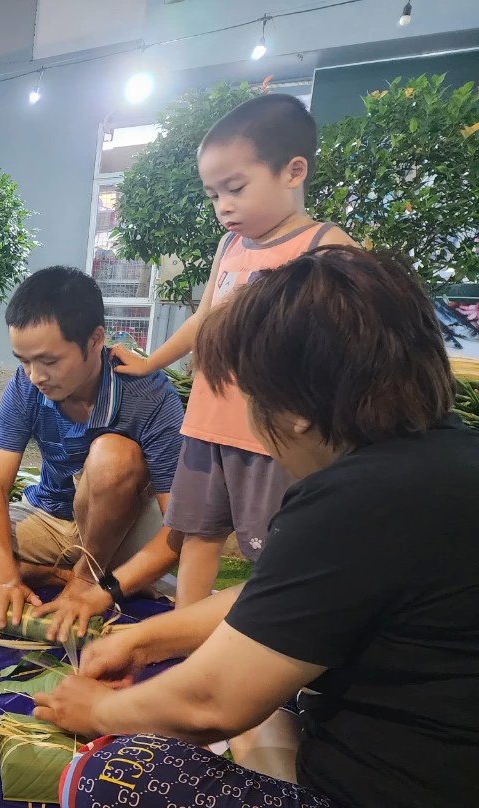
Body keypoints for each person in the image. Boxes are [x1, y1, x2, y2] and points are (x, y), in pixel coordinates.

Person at [39, 249, 478, 808]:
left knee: (111, 784)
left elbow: (214, 702)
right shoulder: (439, 463)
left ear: (297, 412)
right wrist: (146, 640)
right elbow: (287, 599)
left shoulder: (358, 495)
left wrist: (96, 712)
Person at [112, 94, 357, 606]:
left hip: (274, 436)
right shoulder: (231, 247)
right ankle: (186, 641)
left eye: (236, 188)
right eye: (212, 194)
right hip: (207, 424)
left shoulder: (326, 249)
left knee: (276, 550)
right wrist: (151, 361)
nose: (223, 205)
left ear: (293, 172)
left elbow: (345, 349)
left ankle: (267, 652)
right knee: (197, 535)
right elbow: (205, 321)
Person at [0, 266, 185, 640]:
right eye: (24, 360)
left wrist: (102, 590)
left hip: (124, 526)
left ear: (96, 339)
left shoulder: (147, 395)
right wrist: (5, 579)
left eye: (49, 361)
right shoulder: (26, 385)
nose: (35, 376)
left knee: (112, 455)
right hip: (52, 515)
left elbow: (180, 528)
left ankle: (90, 578)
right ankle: (64, 575)